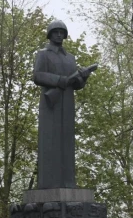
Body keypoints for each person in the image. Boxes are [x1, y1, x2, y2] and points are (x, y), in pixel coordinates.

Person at [33, 20, 93, 189]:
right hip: (50, 103)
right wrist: (60, 80)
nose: (59, 35)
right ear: (50, 34)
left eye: (62, 32)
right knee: (49, 141)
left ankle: (68, 183)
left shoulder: (70, 59)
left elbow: (76, 85)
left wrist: (83, 77)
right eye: (56, 32)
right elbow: (37, 76)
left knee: (67, 143)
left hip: (67, 103)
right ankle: (49, 185)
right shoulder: (43, 54)